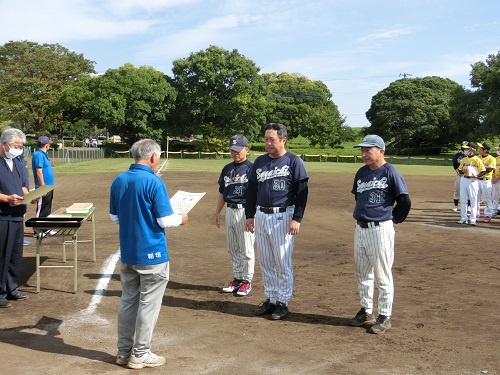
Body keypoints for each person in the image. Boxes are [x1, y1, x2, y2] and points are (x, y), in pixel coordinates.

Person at [109, 139, 188, 369]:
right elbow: (165, 220)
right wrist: (182, 219)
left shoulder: (119, 179)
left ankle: (124, 352)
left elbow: (114, 217)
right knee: (148, 304)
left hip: (129, 252)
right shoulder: (154, 182)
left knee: (128, 300)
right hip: (152, 252)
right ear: (153, 157)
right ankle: (140, 353)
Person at [245, 123, 309, 320]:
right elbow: (252, 190)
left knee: (282, 261)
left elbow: (302, 193)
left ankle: (283, 301)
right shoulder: (259, 162)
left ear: (283, 140)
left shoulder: (293, 161)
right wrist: (249, 215)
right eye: (266, 139)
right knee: (265, 260)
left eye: (272, 139)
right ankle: (271, 299)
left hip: (284, 215)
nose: (268, 143)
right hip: (261, 215)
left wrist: (297, 218)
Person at [349, 135, 411, 334]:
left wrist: (392, 220)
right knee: (362, 272)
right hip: (361, 228)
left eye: (369, 150)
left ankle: (385, 315)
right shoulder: (361, 173)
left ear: (381, 151)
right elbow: (359, 197)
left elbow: (404, 201)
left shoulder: (390, 172)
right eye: (363, 150)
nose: (364, 154)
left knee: (382, 274)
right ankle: (366, 310)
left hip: (380, 229)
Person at [214, 135, 255, 296]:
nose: (234, 153)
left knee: (246, 248)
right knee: (233, 247)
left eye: (238, 150)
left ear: (246, 149)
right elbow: (222, 192)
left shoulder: (252, 169)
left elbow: (257, 193)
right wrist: (217, 212)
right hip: (230, 210)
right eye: (232, 150)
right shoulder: (227, 169)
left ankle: (247, 281)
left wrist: (252, 214)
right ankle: (238, 278)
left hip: (245, 211)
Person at [0, 128, 31, 307]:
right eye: (16, 146)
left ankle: (12, 289)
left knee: (14, 254)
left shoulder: (18, 162)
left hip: (18, 214)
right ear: (4, 144)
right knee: (2, 254)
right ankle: (0, 292)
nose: (18, 150)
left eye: (20, 147)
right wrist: (6, 198)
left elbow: (23, 186)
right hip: (3, 215)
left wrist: (30, 196)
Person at [457, 142, 486, 226]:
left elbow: (483, 170)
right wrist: (463, 171)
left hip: (473, 181)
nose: (465, 150)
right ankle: (463, 218)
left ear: (472, 150)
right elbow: (460, 170)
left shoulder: (477, 159)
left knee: (473, 200)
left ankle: (473, 219)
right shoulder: (464, 159)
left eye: (467, 149)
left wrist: (476, 176)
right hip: (464, 179)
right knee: (463, 200)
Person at [32, 135, 55, 219]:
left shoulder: (44, 154)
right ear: (46, 145)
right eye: (49, 144)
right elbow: (39, 172)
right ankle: (37, 230)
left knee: (47, 208)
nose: (49, 145)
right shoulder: (39, 155)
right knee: (41, 209)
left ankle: (46, 228)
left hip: (49, 185)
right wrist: (43, 186)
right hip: (44, 186)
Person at [476, 142, 496, 223]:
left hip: (486, 181)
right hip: (477, 180)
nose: (479, 149)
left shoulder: (491, 158)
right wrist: (484, 168)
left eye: (481, 148)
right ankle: (476, 214)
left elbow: (489, 170)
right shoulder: (477, 157)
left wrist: (482, 168)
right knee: (476, 198)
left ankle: (488, 215)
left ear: (485, 150)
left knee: (487, 199)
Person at [451, 143, 466, 212]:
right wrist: (458, 173)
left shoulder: (469, 156)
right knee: (456, 190)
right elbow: (455, 165)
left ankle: (468, 207)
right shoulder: (458, 155)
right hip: (459, 175)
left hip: (468, 176)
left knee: (468, 192)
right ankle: (456, 206)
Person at [491, 144, 500, 217]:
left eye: (499, 150)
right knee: (494, 196)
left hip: (498, 179)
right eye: (498, 150)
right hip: (495, 180)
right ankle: (493, 211)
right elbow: (493, 169)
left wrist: (497, 178)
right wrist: (493, 177)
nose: (498, 151)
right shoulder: (496, 159)